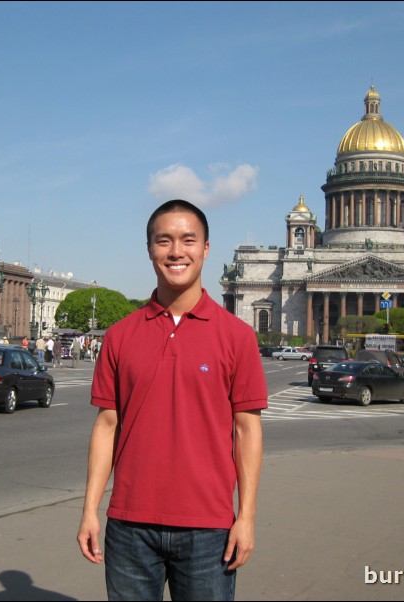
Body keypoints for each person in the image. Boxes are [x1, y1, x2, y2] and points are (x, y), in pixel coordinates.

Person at [77, 199, 268, 601]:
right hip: (129, 526)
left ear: (206, 248)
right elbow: (107, 425)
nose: (176, 251)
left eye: (188, 240)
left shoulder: (237, 336)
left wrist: (246, 517)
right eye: (164, 241)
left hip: (209, 528)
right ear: (150, 249)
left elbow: (247, 429)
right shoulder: (119, 335)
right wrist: (90, 508)